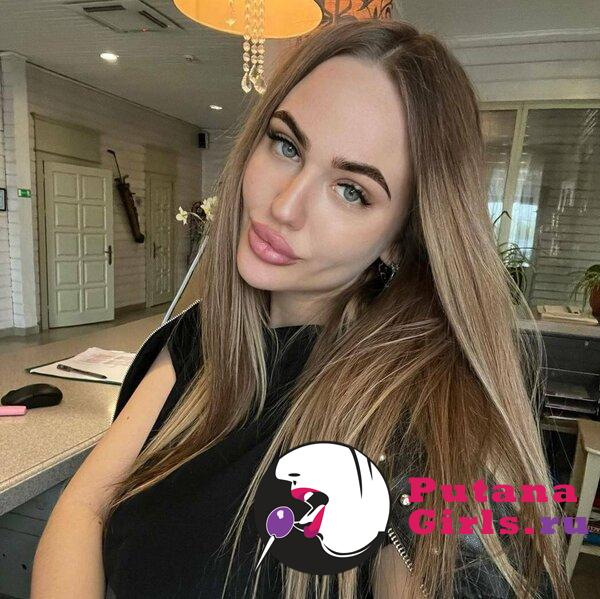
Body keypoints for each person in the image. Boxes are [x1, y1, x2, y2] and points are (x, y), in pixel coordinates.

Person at [31, 18, 572, 599]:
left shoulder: (419, 422)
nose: (284, 206)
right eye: (287, 145)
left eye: (351, 190)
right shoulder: (200, 339)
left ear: (400, 238)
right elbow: (84, 509)